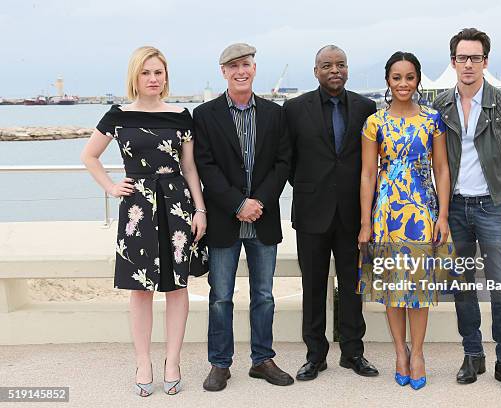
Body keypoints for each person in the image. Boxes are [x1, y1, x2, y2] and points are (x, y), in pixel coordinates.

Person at [81, 46, 208, 397]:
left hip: (177, 206)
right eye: (146, 73)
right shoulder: (117, 115)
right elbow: (89, 155)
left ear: (166, 76)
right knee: (139, 289)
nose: (153, 79)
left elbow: (190, 168)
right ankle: (142, 361)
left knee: (177, 286)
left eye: (158, 72)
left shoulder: (182, 115)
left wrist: (200, 210)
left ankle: (172, 361)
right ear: (135, 77)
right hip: (137, 207)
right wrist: (110, 186)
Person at [432, 28, 501, 394]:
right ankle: (472, 355)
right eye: (462, 57)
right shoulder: (440, 105)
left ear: (485, 61)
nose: (468, 64)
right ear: (453, 61)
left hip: (491, 207)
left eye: (475, 57)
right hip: (454, 208)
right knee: (462, 286)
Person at [193, 43, 293, 391]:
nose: (240, 71)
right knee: (221, 296)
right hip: (224, 220)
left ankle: (262, 360)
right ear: (223, 71)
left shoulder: (275, 113)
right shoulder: (204, 115)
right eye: (233, 66)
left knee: (264, 294)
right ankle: (220, 364)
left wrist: (259, 201)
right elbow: (205, 166)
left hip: (263, 219)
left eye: (246, 64)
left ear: (254, 68)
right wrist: (238, 204)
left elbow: (284, 163)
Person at [358, 51, 458, 390]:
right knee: (391, 288)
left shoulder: (433, 120)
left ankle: (418, 355)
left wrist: (442, 215)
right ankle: (399, 352)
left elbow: (442, 169)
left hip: (423, 210)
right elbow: (368, 174)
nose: (403, 83)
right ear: (388, 80)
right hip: (387, 213)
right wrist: (365, 222)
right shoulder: (375, 122)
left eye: (410, 77)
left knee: (418, 287)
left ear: (418, 80)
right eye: (397, 77)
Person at [283, 45, 379, 381]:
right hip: (312, 212)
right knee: (312, 285)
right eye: (327, 65)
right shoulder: (294, 109)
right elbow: (288, 160)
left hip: (354, 213)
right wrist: (312, 187)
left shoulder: (367, 107)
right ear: (316, 71)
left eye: (340, 64)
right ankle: (315, 355)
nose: (334, 70)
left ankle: (353, 353)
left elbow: (371, 160)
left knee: (353, 285)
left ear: (348, 69)